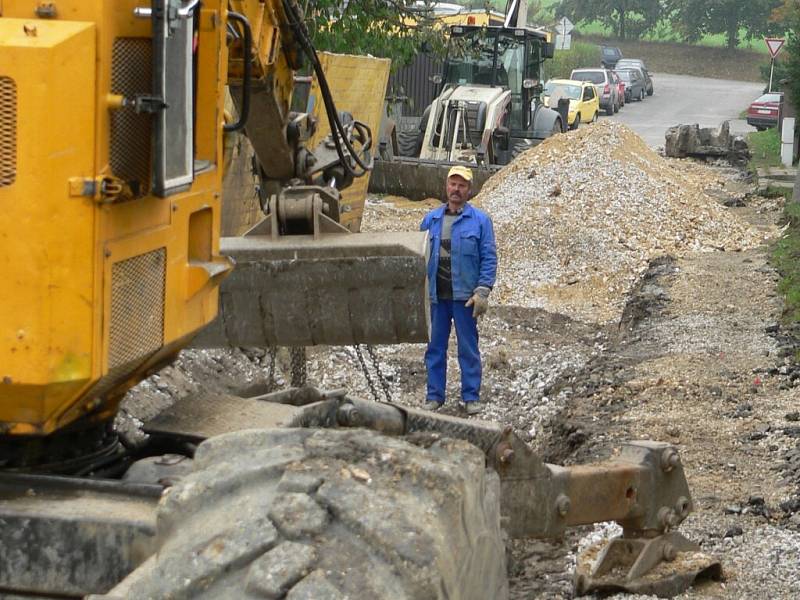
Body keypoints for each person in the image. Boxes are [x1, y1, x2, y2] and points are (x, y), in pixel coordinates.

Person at [420, 165, 497, 415]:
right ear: (446, 186)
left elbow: (488, 257)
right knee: (435, 349)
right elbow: (417, 256)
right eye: (453, 184)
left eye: (462, 185)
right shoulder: (430, 220)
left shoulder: (480, 221)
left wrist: (483, 290)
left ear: (469, 190)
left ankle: (471, 397)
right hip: (436, 298)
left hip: (465, 298)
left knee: (468, 348)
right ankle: (434, 396)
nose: (456, 189)